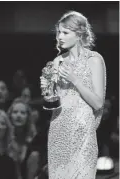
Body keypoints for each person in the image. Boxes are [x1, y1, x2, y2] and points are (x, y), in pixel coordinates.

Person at [40, 11, 106, 178]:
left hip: (83, 133)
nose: (60, 37)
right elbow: (53, 102)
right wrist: (47, 90)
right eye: (58, 32)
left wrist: (74, 79)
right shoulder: (57, 61)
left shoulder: (94, 59)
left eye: (65, 32)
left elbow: (98, 103)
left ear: (79, 34)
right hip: (58, 130)